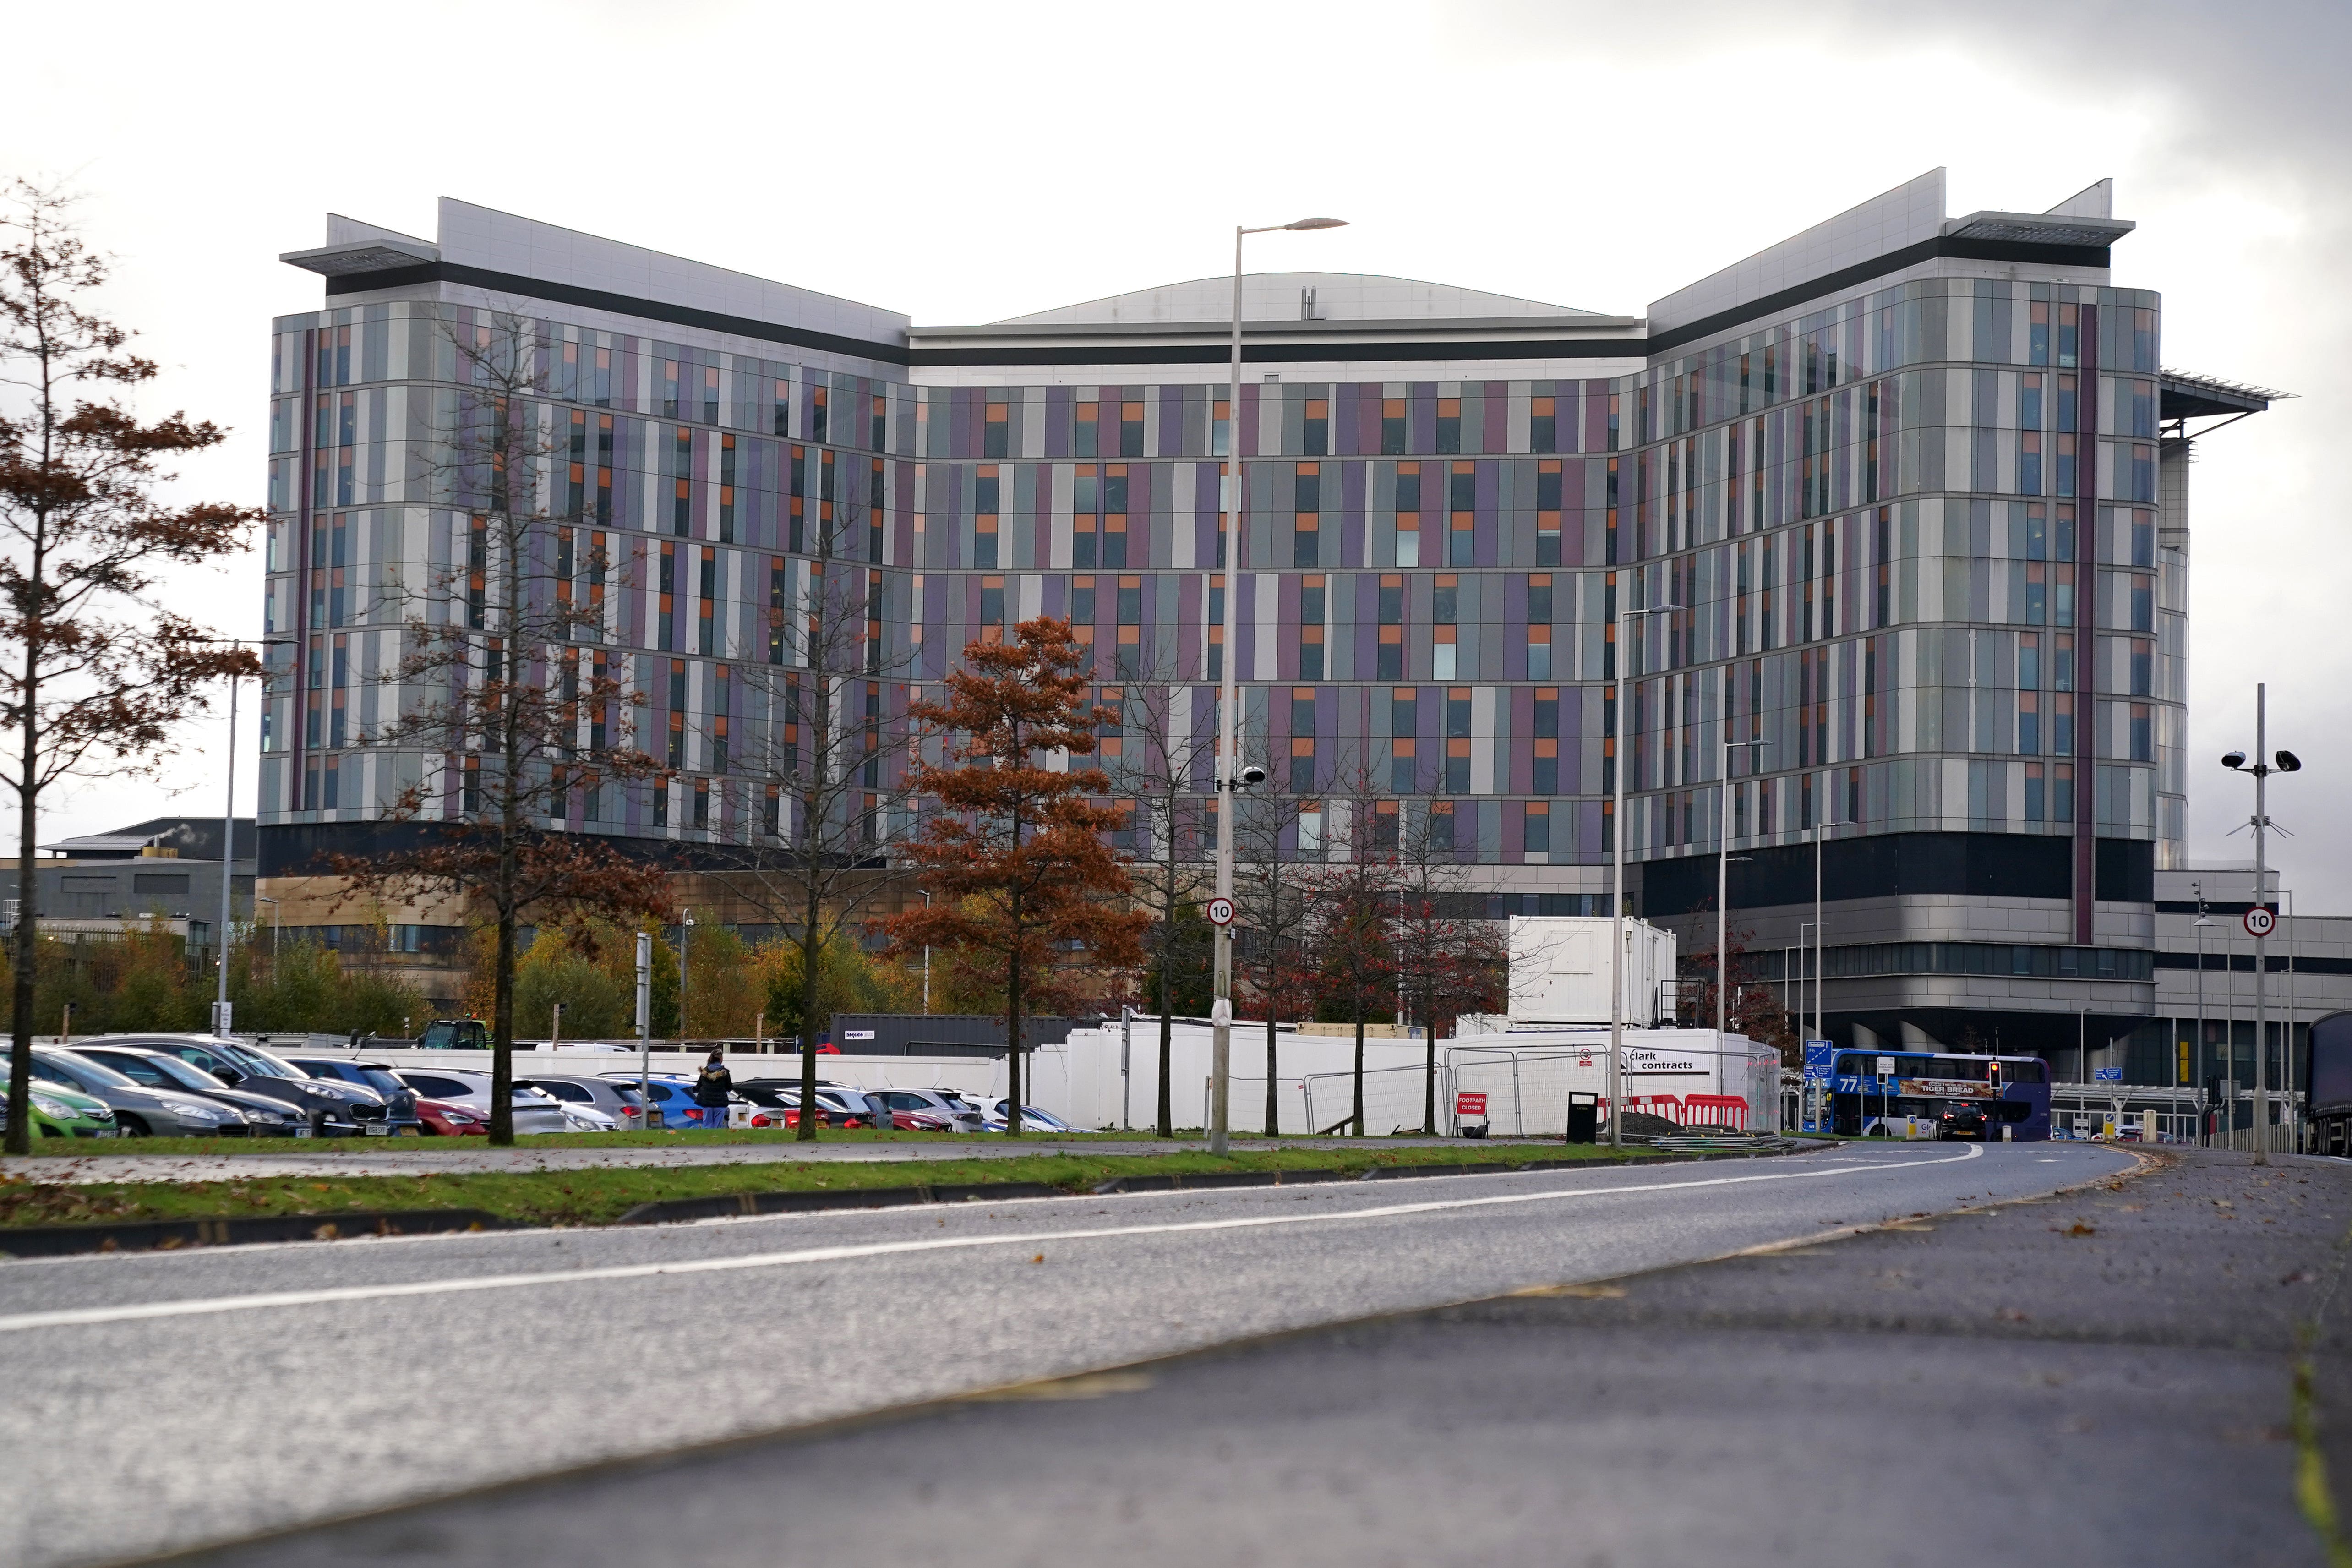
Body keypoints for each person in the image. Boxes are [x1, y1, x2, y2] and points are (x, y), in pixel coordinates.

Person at [691, 1049, 734, 1128]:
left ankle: (707, 1139)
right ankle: (717, 1139)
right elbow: (729, 1087)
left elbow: (698, 1086)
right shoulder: (725, 1073)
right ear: (721, 1059)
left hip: (707, 1102)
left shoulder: (704, 1072)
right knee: (718, 1126)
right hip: (720, 1103)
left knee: (707, 1125)